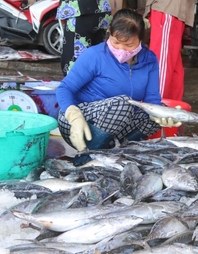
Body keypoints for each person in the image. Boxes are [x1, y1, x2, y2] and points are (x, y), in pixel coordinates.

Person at [56, 9, 179, 155]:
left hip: (118, 121)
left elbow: (152, 100)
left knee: (156, 111)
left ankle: (118, 152)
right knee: (124, 103)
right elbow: (65, 88)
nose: (121, 49)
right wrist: (74, 116)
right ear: (109, 33)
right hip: (78, 121)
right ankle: (88, 156)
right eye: (115, 42)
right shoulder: (95, 55)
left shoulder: (150, 60)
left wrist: (161, 115)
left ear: (141, 40)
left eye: (129, 45)